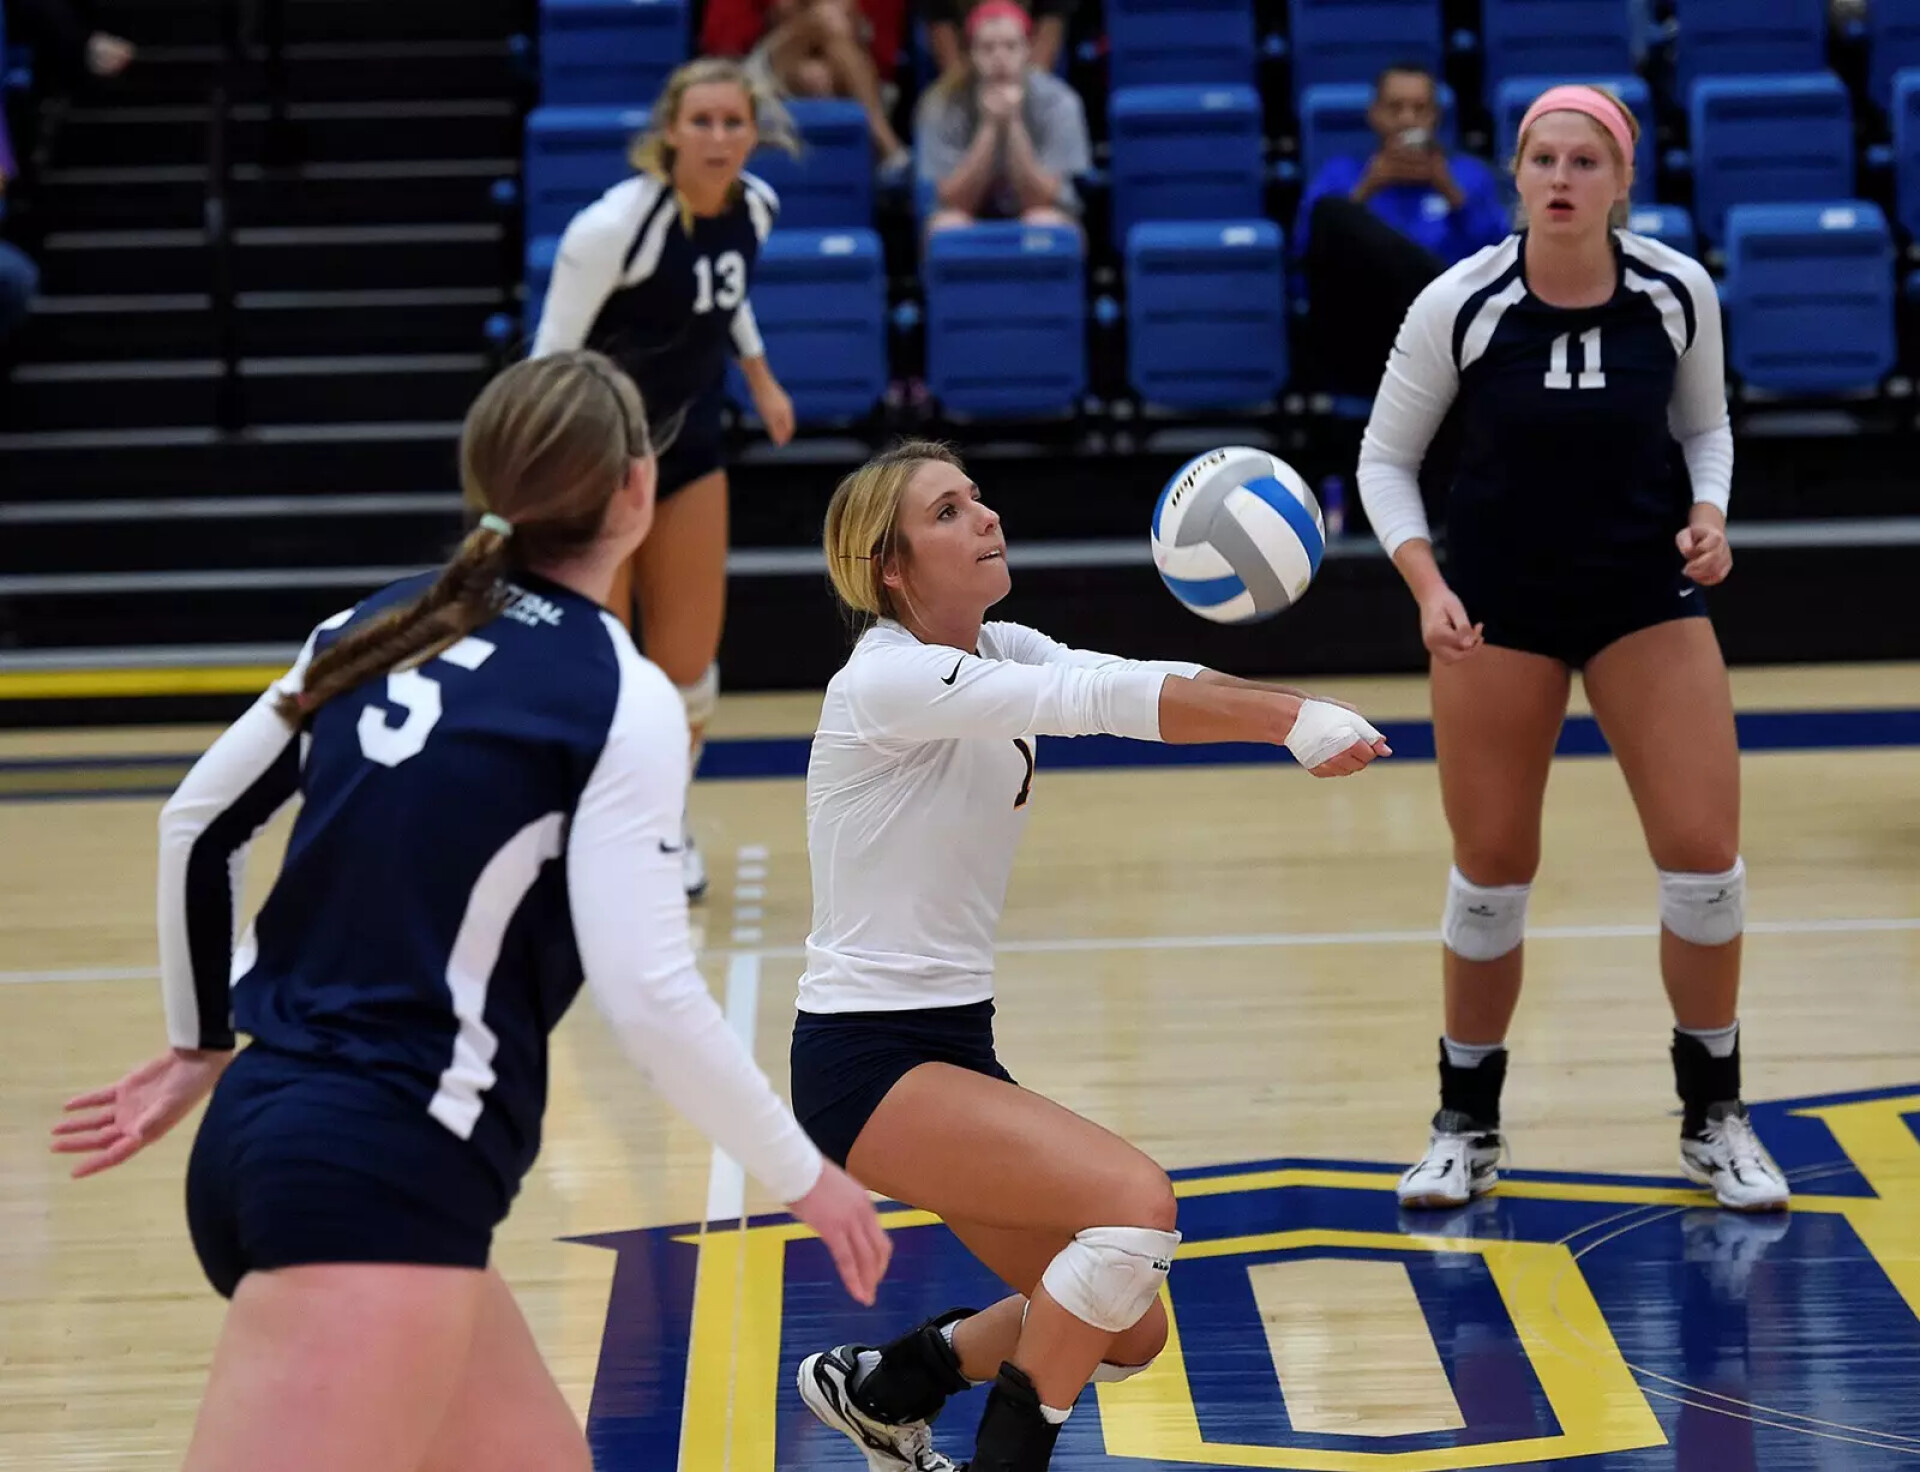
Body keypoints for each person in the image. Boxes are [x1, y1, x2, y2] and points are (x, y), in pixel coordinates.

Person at [49, 352, 891, 1472]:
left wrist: (199, 1044)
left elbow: (197, 827)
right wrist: (805, 1175)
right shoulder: (619, 692)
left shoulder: (375, 621)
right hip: (380, 1173)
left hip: (273, 1134)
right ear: (637, 488)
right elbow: (647, 993)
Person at [789, 440, 1393, 1472]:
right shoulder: (886, 679)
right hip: (866, 1061)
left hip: (951, 1046)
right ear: (890, 567)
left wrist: (1288, 707)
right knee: (1135, 1206)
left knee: (1127, 1328)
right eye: (947, 511)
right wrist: (1288, 720)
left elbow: (1128, 680)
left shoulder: (1003, 646)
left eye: (977, 497)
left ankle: (886, 1386)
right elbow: (1094, 705)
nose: (985, 516)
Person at [1354, 84, 1789, 1214]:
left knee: (1706, 865)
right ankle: (1465, 1124)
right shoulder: (1462, 300)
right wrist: (1428, 587)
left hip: (1643, 595)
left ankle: (1715, 1115)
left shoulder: (1676, 289)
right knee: (1491, 874)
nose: (1560, 178)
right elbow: (1384, 460)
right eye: (1542, 158)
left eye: (1584, 161)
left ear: (1622, 180)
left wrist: (1710, 514)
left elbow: (1706, 425)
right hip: (1498, 606)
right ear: (1515, 173)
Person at [532, 56, 799, 900]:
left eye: (733, 122)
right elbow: (549, 357)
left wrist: (760, 378)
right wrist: (543, 481)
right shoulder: (611, 228)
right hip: (597, 464)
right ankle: (586, 833)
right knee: (602, 669)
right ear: (670, 133)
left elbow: (726, 292)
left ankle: (663, 822)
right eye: (701, 122)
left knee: (686, 667)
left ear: (754, 132)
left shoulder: (756, 207)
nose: (718, 138)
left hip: (687, 451)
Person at [1295, 62, 1510, 397]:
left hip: (1447, 335)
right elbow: (1307, 255)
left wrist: (1450, 192)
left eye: (1420, 109)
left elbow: (1501, 262)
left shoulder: (1469, 177)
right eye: (1395, 108)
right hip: (1365, 332)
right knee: (1333, 212)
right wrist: (1367, 188)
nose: (1408, 119)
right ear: (1374, 115)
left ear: (1436, 116)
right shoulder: (1342, 175)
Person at [914, 0, 1089, 236]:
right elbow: (955, 201)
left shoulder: (1059, 102)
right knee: (948, 225)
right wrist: (989, 126)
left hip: (1039, 209)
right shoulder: (940, 104)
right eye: (987, 48)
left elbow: (1042, 200)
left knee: (1044, 220)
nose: (999, 57)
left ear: (1027, 50)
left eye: (1010, 46)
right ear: (970, 55)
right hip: (968, 212)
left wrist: (1014, 123)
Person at [700, 0, 913, 176]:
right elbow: (726, 47)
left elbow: (873, 42)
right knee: (827, 17)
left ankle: (837, 181)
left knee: (816, 77)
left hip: (844, 67)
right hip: (761, 66)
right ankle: (886, 142)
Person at [921, 0, 1075, 79]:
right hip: (964, 57)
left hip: (1029, 53)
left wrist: (1024, 96)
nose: (999, 56)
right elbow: (941, 26)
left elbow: (1050, 23)